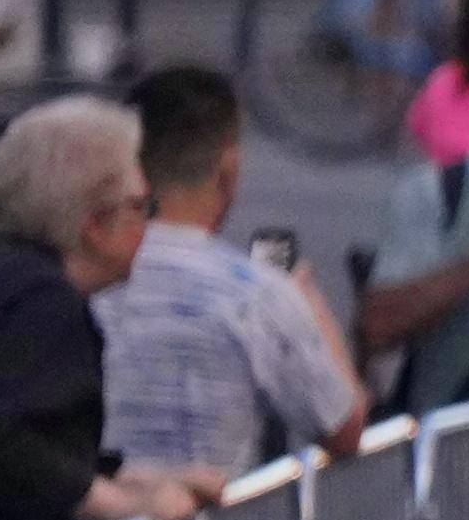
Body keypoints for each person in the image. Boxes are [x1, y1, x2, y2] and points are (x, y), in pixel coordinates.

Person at [102, 67, 355, 483]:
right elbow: (343, 427)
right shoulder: (257, 294)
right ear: (229, 171)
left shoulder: (85, 277)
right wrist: (309, 303)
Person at [0, 94, 199, 520]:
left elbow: (38, 435)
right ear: (96, 224)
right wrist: (117, 504)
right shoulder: (44, 303)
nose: (148, 224)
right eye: (141, 206)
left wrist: (131, 477)